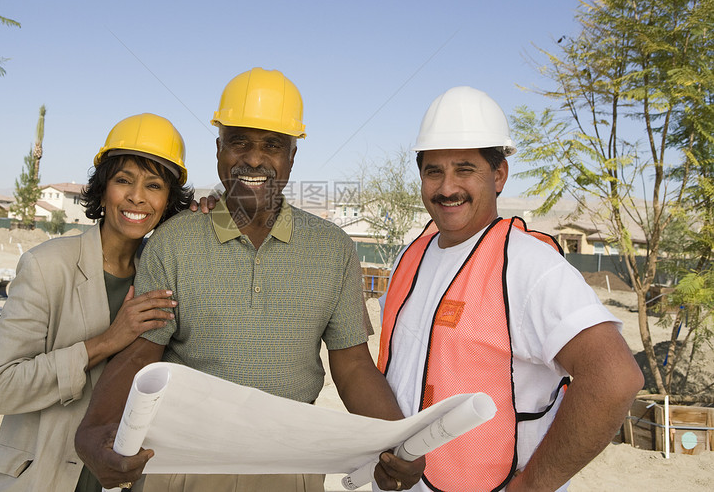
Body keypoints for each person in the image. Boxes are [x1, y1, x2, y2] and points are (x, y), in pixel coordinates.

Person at [75, 67, 426, 492]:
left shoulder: (333, 249)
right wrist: (93, 429)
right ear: (219, 150)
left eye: (273, 145)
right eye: (239, 141)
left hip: (289, 463)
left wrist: (398, 443)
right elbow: (141, 354)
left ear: (292, 156)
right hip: (184, 463)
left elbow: (351, 364)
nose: (255, 159)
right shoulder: (173, 242)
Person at [375, 86, 644, 492]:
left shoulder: (529, 267)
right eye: (434, 171)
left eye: (464, 169)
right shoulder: (411, 256)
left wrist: (532, 486)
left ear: (498, 174)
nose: (447, 187)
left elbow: (616, 378)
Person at [0, 113, 194, 492]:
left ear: (168, 201)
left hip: (117, 478)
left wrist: (208, 220)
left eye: (154, 185)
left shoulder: (165, 273)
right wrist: (106, 342)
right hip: (42, 476)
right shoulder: (47, 267)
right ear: (102, 189)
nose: (136, 197)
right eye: (123, 180)